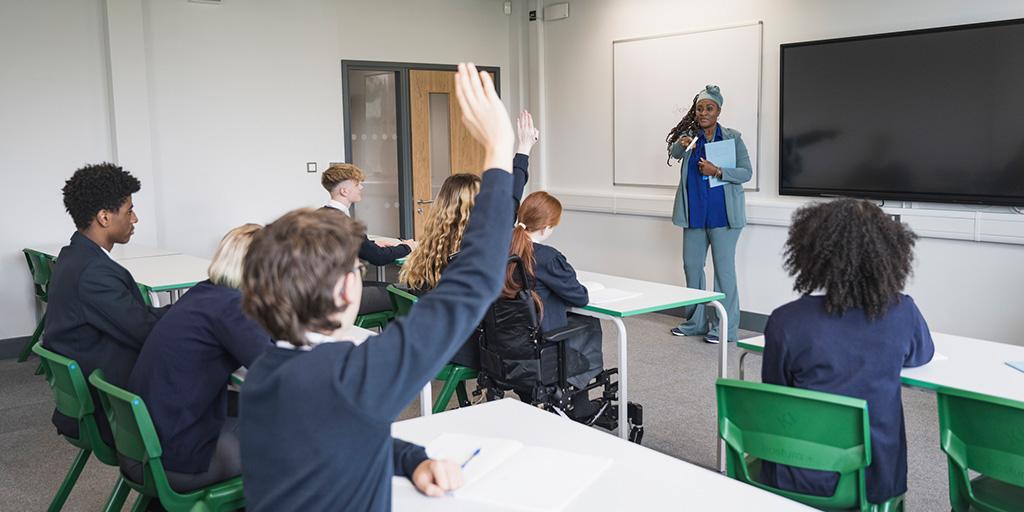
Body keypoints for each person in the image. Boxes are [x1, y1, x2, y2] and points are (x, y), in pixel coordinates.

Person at [237, 62, 517, 511]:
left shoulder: (265, 374)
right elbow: (474, 282)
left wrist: (411, 460)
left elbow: (343, 435)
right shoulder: (351, 377)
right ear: (347, 292)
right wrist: (501, 151)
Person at [760, 198, 934, 505]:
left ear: (813, 251)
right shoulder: (902, 312)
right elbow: (922, 355)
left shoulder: (786, 321)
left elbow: (775, 391)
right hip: (875, 479)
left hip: (797, 474)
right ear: (889, 254)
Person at [127, 224, 273, 492]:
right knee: (293, 434)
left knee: (259, 407)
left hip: (144, 444)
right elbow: (277, 366)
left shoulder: (204, 292)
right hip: (175, 458)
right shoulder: (232, 307)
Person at [398, 110, 538, 367]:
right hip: (466, 347)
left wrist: (523, 149)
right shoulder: (474, 249)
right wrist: (523, 149)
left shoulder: (430, 246)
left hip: (431, 342)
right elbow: (510, 199)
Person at [44, 163, 168, 442]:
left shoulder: (73, 256)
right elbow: (145, 333)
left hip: (93, 392)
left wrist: (184, 311)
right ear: (104, 217)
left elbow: (134, 317)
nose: (134, 219)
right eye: (129, 210)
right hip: (113, 411)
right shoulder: (95, 273)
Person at [503, 190, 604, 415]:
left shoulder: (502, 250)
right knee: (588, 323)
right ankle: (577, 398)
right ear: (546, 227)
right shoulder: (547, 258)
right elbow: (579, 296)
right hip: (539, 345)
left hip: (505, 347)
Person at [665, 85, 752, 343]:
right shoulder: (689, 138)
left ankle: (725, 327)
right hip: (695, 216)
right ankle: (696, 322)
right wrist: (680, 143)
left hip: (724, 217)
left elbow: (746, 172)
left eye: (709, 108)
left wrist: (718, 171)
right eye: (700, 108)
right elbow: (674, 153)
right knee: (692, 268)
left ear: (718, 111)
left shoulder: (732, 138)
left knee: (724, 273)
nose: (703, 112)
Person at [320, 163, 416, 315]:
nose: (361, 188)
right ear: (344, 191)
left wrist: (370, 243)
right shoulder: (346, 223)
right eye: (357, 184)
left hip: (320, 292)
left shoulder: (318, 216)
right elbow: (378, 257)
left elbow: (343, 244)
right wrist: (408, 247)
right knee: (402, 295)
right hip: (340, 296)